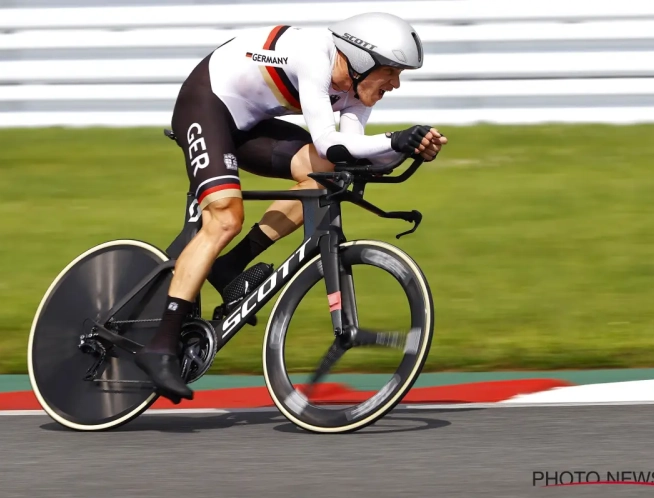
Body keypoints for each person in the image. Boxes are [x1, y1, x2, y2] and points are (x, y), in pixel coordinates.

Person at [134, 12, 449, 402]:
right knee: (224, 219)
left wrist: (410, 148)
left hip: (250, 124)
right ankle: (160, 345)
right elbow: (330, 142)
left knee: (328, 175)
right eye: (392, 72)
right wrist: (396, 139)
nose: (396, 84)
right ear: (362, 60)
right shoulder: (315, 57)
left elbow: (349, 155)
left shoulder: (354, 88)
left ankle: (230, 265)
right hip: (207, 104)